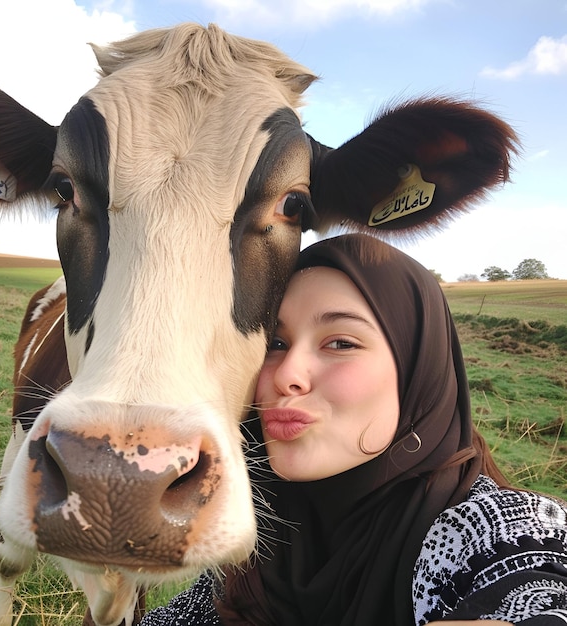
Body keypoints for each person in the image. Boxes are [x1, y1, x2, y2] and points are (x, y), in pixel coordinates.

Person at [141, 233, 567, 626]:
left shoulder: (494, 530)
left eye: (340, 342)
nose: (287, 374)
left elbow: (539, 590)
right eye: (275, 343)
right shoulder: (265, 529)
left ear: (419, 371)